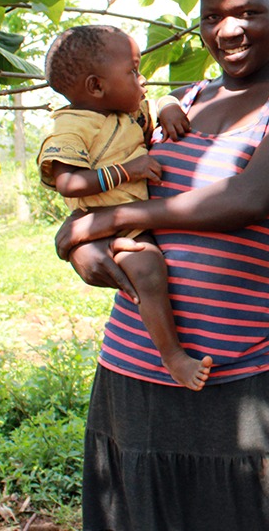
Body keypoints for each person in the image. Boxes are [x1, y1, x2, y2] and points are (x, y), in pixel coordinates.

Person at [54, 0, 269, 531]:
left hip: (231, 369)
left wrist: (117, 218)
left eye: (247, 12)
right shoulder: (181, 102)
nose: (227, 30)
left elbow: (248, 199)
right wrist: (76, 245)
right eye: (211, 16)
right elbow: (108, 184)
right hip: (133, 360)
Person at [38, 24, 211, 390]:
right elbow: (68, 182)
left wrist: (168, 109)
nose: (142, 79)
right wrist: (126, 171)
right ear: (97, 87)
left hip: (121, 219)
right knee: (148, 271)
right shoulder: (71, 127)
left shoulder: (127, 114)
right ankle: (173, 356)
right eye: (132, 72)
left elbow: (159, 104)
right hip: (111, 224)